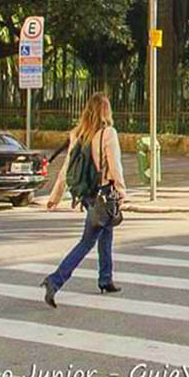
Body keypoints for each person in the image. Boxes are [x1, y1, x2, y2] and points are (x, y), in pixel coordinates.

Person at [42, 92, 126, 307]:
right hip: (104, 193)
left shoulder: (78, 134)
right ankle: (55, 280)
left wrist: (56, 195)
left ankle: (106, 279)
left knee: (105, 232)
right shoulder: (108, 133)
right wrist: (122, 191)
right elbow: (115, 166)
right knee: (88, 240)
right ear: (106, 111)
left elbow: (66, 168)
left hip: (87, 194)